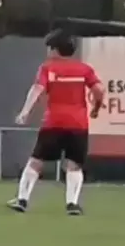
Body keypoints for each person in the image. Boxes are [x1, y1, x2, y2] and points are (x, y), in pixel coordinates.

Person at [7, 29, 104, 215]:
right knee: (74, 164)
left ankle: (22, 199)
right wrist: (96, 108)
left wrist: (25, 112)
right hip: (78, 124)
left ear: (54, 49)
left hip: (53, 123)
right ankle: (72, 204)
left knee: (36, 162)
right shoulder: (84, 69)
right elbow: (99, 90)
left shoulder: (48, 68)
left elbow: (37, 89)